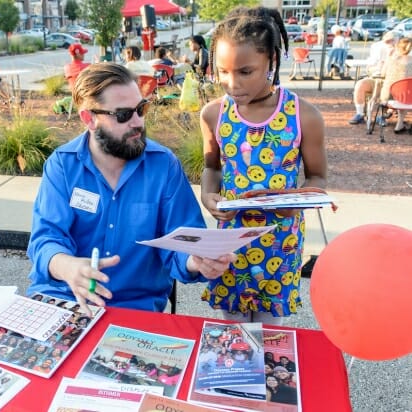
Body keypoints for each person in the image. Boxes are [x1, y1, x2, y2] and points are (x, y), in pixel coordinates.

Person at [26, 62, 235, 315]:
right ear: (89, 118)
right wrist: (67, 266)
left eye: (141, 109)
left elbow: (184, 242)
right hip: (65, 298)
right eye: (124, 115)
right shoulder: (62, 165)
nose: (138, 122)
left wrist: (198, 261)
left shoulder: (164, 166)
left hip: (134, 308)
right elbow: (46, 239)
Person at [199, 7, 327, 325]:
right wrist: (208, 195)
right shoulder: (213, 115)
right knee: (233, 337)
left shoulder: (304, 115)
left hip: (281, 242)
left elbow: (317, 176)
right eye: (223, 71)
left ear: (271, 60)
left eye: (245, 71)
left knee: (270, 337)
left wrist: (295, 203)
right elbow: (212, 168)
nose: (231, 83)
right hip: (231, 244)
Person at [348, 31, 399, 125]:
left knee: (393, 89)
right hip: (377, 79)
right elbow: (370, 66)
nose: (389, 43)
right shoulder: (378, 47)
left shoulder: (403, 50)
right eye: (387, 41)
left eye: (392, 41)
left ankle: (385, 115)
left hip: (394, 82)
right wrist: (375, 69)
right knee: (360, 84)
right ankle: (360, 113)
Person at [379, 36, 412, 134]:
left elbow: (382, 74)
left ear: (398, 47)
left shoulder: (390, 60)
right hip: (406, 98)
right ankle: (399, 124)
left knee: (404, 92)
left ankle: (399, 124)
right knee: (407, 92)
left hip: (387, 97)